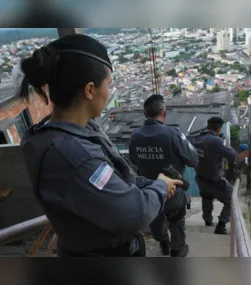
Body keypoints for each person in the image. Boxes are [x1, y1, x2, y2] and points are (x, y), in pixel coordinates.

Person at [17, 34, 182, 257]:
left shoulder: (72, 130)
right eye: (108, 84)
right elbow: (134, 214)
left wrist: (150, 183)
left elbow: (117, 178)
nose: (108, 92)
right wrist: (160, 187)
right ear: (90, 89)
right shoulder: (73, 154)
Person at [129, 94, 199, 257]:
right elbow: (193, 160)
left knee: (155, 218)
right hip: (173, 191)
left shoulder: (135, 135)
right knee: (176, 220)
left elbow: (133, 161)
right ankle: (177, 249)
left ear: (145, 115)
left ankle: (163, 241)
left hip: (149, 190)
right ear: (164, 114)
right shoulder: (173, 133)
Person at [194, 117, 237, 235]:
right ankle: (221, 225)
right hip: (214, 180)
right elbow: (233, 155)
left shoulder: (198, 138)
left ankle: (208, 221)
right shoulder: (216, 141)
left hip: (200, 177)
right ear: (219, 129)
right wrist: (224, 143)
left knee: (207, 198)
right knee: (232, 199)